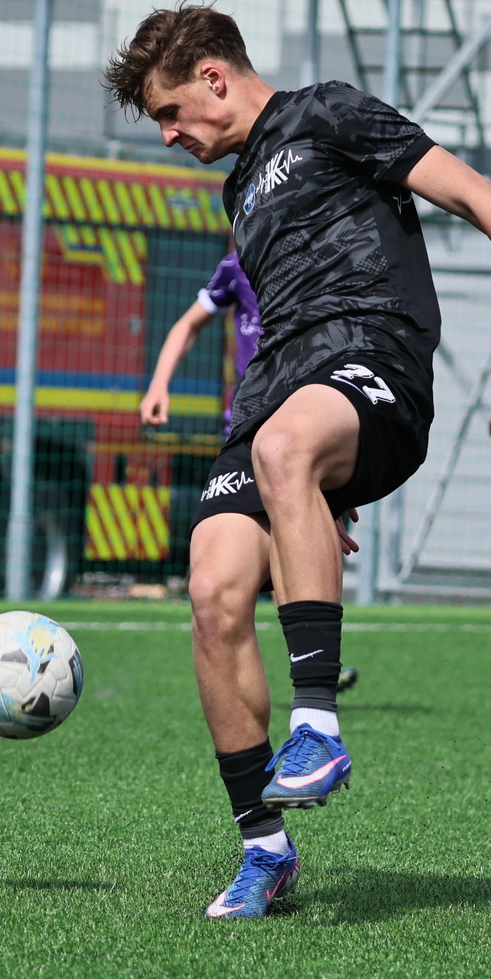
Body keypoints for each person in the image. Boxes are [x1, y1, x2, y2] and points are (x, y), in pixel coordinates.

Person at [105, 3, 491, 920]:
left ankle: (317, 721)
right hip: (277, 396)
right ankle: (264, 848)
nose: (167, 134)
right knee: (213, 591)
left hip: (374, 359)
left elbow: (478, 196)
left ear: (214, 78)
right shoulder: (239, 191)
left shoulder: (328, 112)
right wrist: (318, 496)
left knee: (285, 446)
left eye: (169, 111)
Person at [142, 257, 364, 697]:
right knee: (227, 571)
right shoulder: (236, 268)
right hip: (246, 426)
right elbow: (188, 324)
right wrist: (158, 384)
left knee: (295, 535)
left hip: (299, 424)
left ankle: (316, 659)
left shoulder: (319, 259)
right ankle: (302, 659)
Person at [140, 250, 259, 434]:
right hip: (247, 416)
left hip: (298, 408)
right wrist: (158, 386)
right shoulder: (239, 264)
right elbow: (187, 325)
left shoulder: (308, 264)